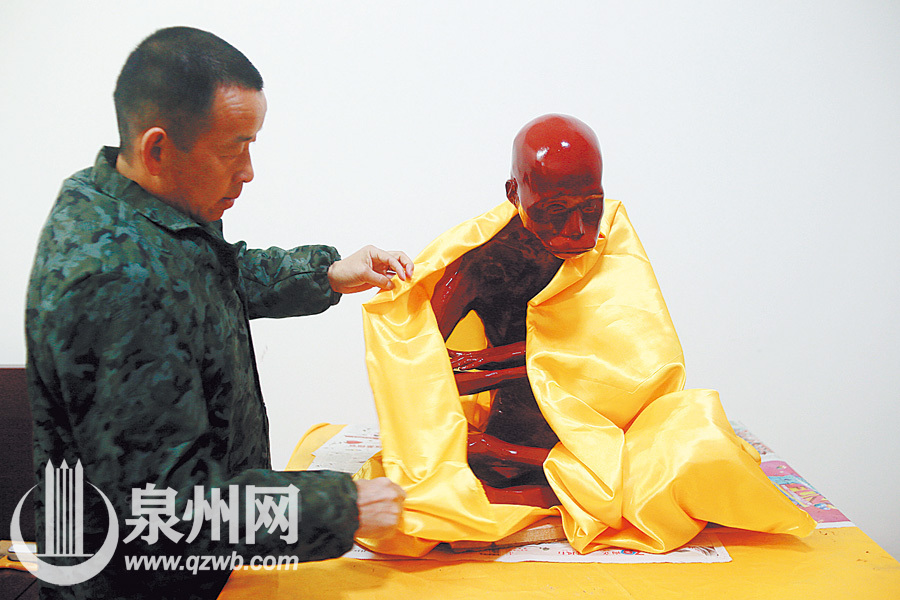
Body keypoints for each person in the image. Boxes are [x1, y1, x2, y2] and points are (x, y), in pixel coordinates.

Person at [26, 27, 408, 599]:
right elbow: (173, 512)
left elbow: (207, 279)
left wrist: (326, 273)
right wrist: (344, 506)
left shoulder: (136, 207)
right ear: (158, 149)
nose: (248, 171)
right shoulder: (112, 282)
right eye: (234, 149)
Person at [355, 114, 815, 557]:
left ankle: (575, 480)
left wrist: (546, 361)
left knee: (696, 448)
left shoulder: (610, 241)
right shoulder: (483, 262)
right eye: (554, 211)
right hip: (518, 438)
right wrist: (533, 366)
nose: (577, 231)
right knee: (449, 483)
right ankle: (554, 479)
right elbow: (421, 372)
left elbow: (637, 364)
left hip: (606, 429)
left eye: (590, 207)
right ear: (514, 193)